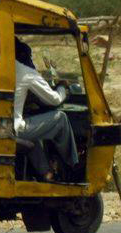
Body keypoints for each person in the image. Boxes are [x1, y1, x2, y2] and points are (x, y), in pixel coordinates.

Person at [14, 37, 78, 182]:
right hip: (14, 128)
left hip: (3, 125)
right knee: (61, 118)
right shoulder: (25, 72)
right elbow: (54, 99)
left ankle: (46, 174)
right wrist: (62, 86)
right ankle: (72, 164)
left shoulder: (0, 67)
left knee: (31, 130)